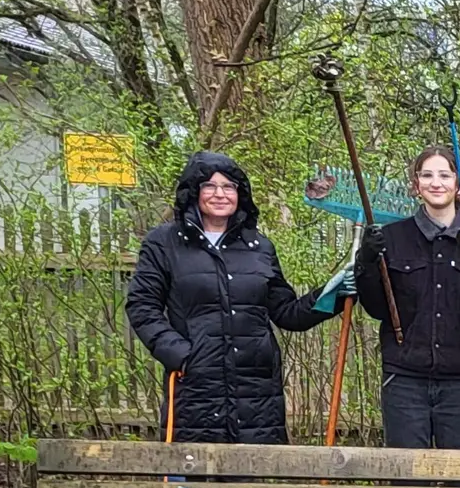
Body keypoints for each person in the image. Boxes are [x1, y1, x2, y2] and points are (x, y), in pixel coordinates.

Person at [127, 151, 353, 444]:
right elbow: (142, 306)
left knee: (256, 481)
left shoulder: (259, 247)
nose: (220, 194)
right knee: (197, 477)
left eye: (229, 186)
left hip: (258, 393)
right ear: (193, 191)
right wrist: (181, 355)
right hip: (196, 389)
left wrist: (334, 293)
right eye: (209, 186)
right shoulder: (165, 243)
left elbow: (287, 312)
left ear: (240, 194)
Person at [354, 147, 460, 457]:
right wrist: (366, 261)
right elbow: (376, 307)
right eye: (427, 175)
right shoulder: (391, 238)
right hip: (405, 382)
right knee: (406, 479)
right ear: (416, 185)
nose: (436, 183)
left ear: (458, 185)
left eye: (445, 175)